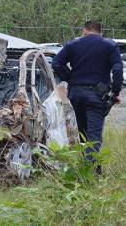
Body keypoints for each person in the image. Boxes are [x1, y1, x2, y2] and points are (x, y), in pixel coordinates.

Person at [52, 21, 123, 165]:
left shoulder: (72, 45)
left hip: (76, 94)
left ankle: (89, 167)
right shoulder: (110, 46)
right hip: (97, 95)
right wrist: (115, 91)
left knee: (82, 132)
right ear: (100, 32)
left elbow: (56, 64)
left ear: (84, 31)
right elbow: (117, 69)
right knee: (94, 136)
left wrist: (70, 77)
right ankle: (89, 172)